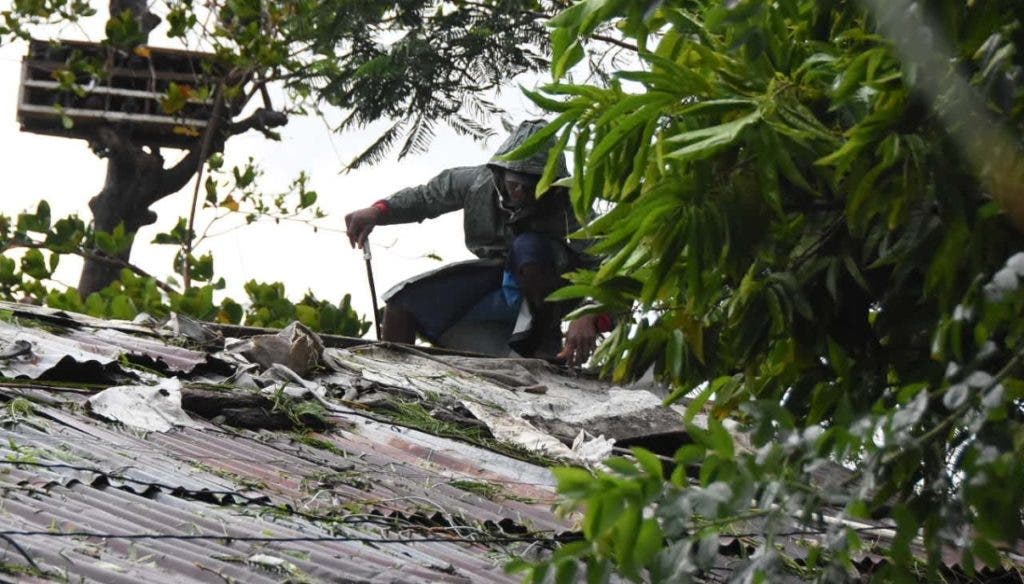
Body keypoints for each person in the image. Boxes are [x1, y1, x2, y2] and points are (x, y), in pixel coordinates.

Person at [344, 120, 612, 365]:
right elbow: (427, 197)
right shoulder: (478, 183)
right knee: (401, 302)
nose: (520, 192)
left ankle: (542, 343)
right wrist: (378, 211)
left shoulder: (572, 207)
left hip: (547, 287)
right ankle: (394, 374)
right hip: (497, 277)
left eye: (532, 187)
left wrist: (591, 311)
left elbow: (611, 263)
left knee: (529, 247)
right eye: (514, 184)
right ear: (500, 175)